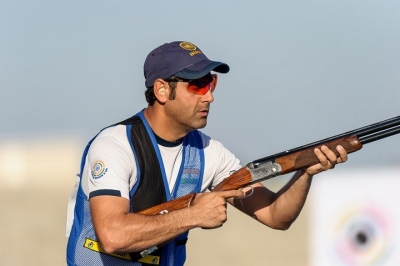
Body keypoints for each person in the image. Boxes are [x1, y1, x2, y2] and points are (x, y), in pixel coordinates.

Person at [66, 41, 348, 266]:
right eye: (197, 85)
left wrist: (305, 171)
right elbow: (113, 235)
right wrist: (193, 214)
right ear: (162, 90)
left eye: (210, 83)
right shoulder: (115, 145)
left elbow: (275, 216)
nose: (209, 96)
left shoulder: (210, 153)